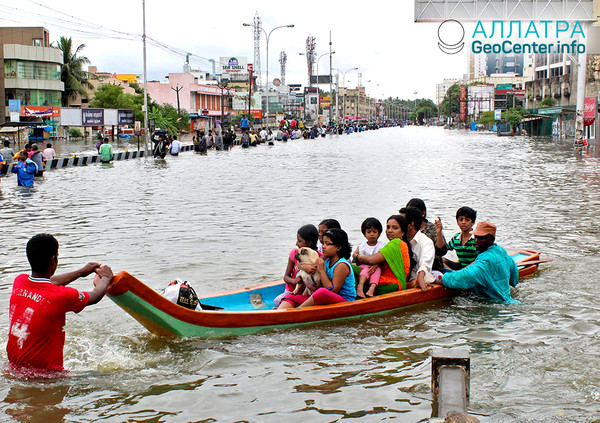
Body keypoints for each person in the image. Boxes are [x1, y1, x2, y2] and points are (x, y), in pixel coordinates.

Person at [6, 233, 113, 372]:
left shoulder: (19, 282)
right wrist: (106, 277)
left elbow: (49, 282)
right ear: (53, 260)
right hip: (46, 376)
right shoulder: (61, 296)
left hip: (13, 369)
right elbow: (95, 296)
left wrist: (81, 272)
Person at [437, 222, 519, 303]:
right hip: (506, 297)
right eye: (476, 237)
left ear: (491, 239)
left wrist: (443, 279)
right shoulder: (500, 250)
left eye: (481, 238)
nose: (476, 240)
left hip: (493, 302)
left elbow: (467, 276)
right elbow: (514, 277)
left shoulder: (484, 261)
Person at [279, 228, 356, 308]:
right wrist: (302, 273)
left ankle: (298, 311)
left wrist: (322, 271)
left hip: (344, 300)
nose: (323, 247)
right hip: (325, 298)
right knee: (290, 296)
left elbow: (333, 290)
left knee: (321, 291)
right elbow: (308, 270)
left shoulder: (341, 265)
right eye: (323, 244)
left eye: (328, 244)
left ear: (338, 247)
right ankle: (280, 312)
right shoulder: (325, 260)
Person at [355, 215, 413, 294]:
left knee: (348, 269)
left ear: (402, 232)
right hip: (395, 283)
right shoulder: (400, 244)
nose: (390, 230)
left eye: (395, 228)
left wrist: (356, 256)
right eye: (388, 227)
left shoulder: (395, 243)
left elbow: (371, 260)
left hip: (391, 284)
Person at [274, 224, 321, 307]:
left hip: (308, 295)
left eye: (299, 241)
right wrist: (294, 281)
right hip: (292, 292)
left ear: (308, 243)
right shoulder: (295, 254)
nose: (296, 243)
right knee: (277, 301)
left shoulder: (319, 258)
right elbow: (286, 277)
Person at [400, 206, 435, 292]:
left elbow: (425, 264)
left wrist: (420, 277)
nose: (398, 224)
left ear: (411, 225)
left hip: (415, 281)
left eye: (401, 221)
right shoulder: (398, 240)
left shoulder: (426, 242)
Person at [405, 198, 446, 272]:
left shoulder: (432, 228)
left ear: (423, 213)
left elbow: (441, 251)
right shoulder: (406, 228)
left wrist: (439, 232)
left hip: (433, 267)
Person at [352, 217, 386, 298]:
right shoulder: (362, 246)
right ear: (364, 234)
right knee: (366, 269)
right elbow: (354, 254)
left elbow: (383, 258)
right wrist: (358, 257)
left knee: (377, 270)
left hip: (376, 267)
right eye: (369, 232)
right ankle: (360, 286)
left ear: (379, 234)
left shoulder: (382, 245)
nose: (372, 234)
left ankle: (372, 288)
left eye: (375, 232)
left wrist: (376, 265)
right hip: (364, 266)